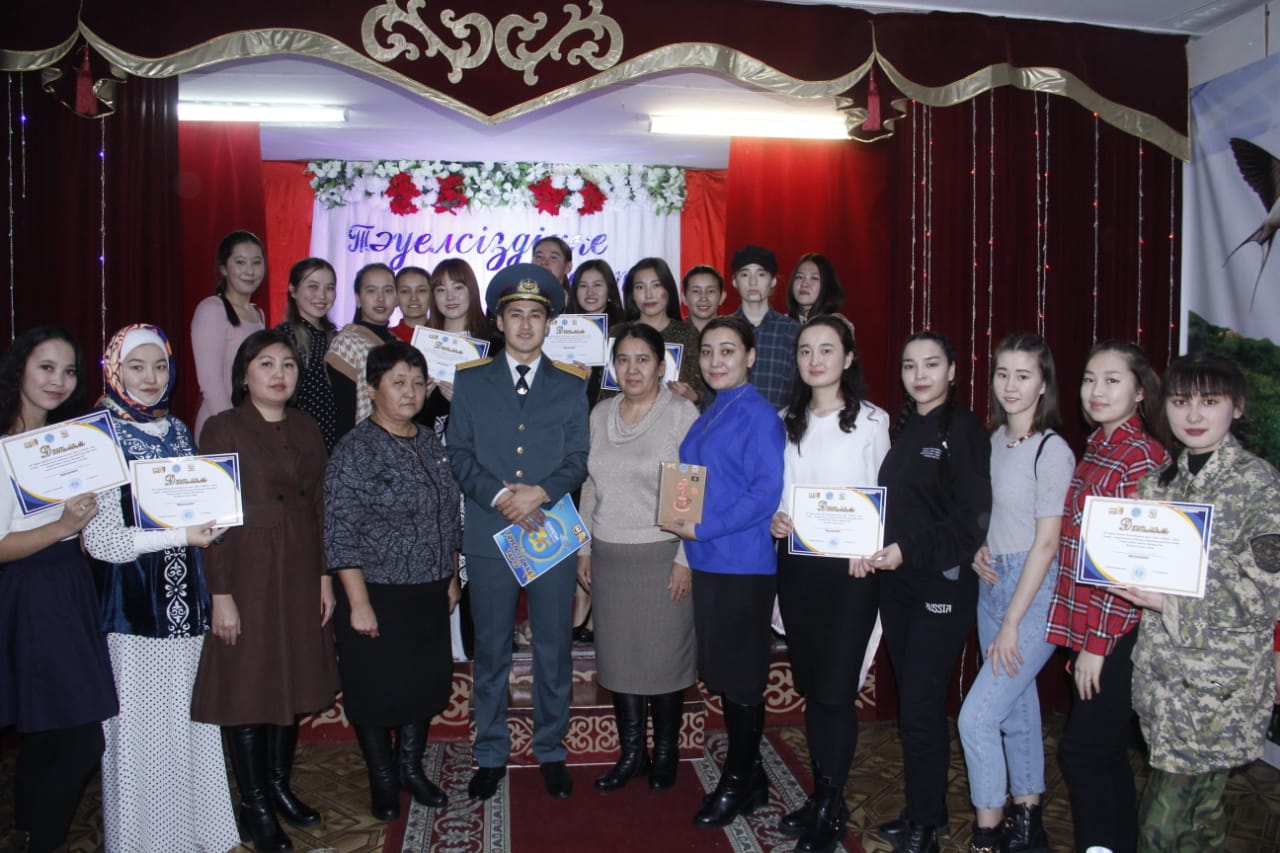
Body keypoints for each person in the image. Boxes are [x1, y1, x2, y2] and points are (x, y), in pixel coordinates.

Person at [1110, 353, 1280, 851]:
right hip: (1164, 683)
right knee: (1200, 823)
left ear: (1237, 407)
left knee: (1159, 830)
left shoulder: (1258, 485)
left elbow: (1267, 593)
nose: (1193, 414)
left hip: (1216, 692)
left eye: (1210, 401)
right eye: (1181, 401)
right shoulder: (1159, 483)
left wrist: (1171, 602)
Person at [81, 324, 240, 853]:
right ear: (115, 370)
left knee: (190, 727)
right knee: (138, 738)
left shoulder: (174, 430)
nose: (150, 378)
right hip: (133, 615)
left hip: (184, 609)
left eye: (159, 366)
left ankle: (192, 838)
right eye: (136, 366)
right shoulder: (100, 436)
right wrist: (180, 535)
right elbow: (101, 540)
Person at [191, 329, 340, 853]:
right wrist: (221, 593)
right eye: (266, 364)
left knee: (290, 678)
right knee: (250, 687)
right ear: (244, 375)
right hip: (247, 566)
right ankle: (254, 804)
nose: (279, 374)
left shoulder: (307, 426)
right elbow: (211, 517)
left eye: (288, 365)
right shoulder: (222, 427)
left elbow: (320, 506)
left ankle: (278, 786)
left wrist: (324, 576)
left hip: (299, 562)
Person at [446, 263, 589, 801]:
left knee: (554, 647)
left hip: (550, 530)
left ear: (549, 324)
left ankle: (551, 749)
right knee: (492, 651)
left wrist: (541, 492)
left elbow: (578, 457)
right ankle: (490, 753)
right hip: (490, 532)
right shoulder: (470, 380)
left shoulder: (571, 383)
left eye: (535, 315)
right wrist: (502, 496)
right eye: (516, 315)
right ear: (500, 321)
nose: (526, 324)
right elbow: (459, 454)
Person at [863, 331, 991, 853]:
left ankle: (924, 829)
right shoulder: (907, 428)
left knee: (919, 707)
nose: (919, 375)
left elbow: (970, 521)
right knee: (914, 707)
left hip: (942, 584)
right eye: (910, 365)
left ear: (953, 371)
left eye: (932, 364)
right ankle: (928, 812)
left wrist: (907, 549)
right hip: (898, 584)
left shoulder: (963, 429)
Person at [324, 341, 462, 821]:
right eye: (398, 382)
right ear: (371, 389)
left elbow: (447, 516)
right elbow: (339, 532)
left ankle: (410, 768)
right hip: (375, 591)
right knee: (374, 689)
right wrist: (358, 602)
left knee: (422, 683)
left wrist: (450, 575)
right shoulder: (355, 450)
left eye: (418, 383)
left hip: (428, 588)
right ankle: (382, 777)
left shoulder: (429, 442)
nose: (410, 392)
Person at [770, 315, 890, 853]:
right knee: (815, 688)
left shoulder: (872, 422)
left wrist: (874, 544)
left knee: (837, 691)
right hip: (799, 570)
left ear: (848, 357)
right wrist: (776, 518)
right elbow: (780, 490)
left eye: (826, 349)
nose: (814, 359)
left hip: (851, 574)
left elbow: (888, 493)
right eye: (805, 350)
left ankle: (831, 805)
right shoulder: (785, 420)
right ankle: (823, 798)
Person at [662, 316, 785, 829]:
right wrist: (682, 523)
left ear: (750, 357)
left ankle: (735, 783)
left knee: (741, 680)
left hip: (742, 564)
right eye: (709, 351)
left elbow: (765, 494)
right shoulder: (711, 411)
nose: (716, 361)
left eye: (728, 351)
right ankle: (752, 777)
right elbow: (691, 481)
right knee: (728, 675)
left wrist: (701, 528)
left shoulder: (758, 415)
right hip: (710, 562)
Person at [1044, 340, 1166, 853]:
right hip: (1094, 626)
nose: (1096, 390)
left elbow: (1132, 564)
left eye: (1112, 380)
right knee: (1106, 751)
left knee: (1084, 751)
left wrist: (1096, 644)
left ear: (1140, 392)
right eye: (1089, 379)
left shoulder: (1141, 456)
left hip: (1119, 631)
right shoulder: (1100, 445)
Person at [957, 333, 1075, 853]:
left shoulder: (1052, 450)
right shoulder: (991, 442)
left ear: (1043, 384)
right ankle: (1028, 824)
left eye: (1023, 375)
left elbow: (1046, 543)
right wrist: (978, 549)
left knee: (977, 716)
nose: (1010, 385)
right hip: (992, 583)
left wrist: (1011, 622)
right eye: (1003, 373)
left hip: (1035, 590)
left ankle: (988, 831)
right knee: (1018, 710)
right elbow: (990, 516)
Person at [0, 327, 117, 853]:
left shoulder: (71, 443)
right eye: (46, 367)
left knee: (49, 737)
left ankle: (29, 837)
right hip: (31, 593)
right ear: (20, 369)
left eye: (68, 371)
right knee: (75, 740)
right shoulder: (4, 446)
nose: (58, 380)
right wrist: (62, 526)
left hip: (70, 587)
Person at [576, 324, 699, 792]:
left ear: (661, 366)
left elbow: (691, 489)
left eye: (642, 359)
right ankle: (631, 754)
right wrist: (585, 547)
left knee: (664, 660)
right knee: (620, 659)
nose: (632, 369)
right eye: (623, 360)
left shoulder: (681, 413)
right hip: (609, 555)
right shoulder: (601, 412)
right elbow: (591, 485)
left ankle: (665, 753)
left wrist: (685, 557)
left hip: (662, 554)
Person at [192, 229, 267, 437]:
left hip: (252, 424)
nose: (250, 271)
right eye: (241, 262)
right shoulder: (212, 309)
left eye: (257, 262)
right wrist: (235, 430)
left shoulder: (258, 314)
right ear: (224, 268)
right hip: (221, 426)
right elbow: (211, 385)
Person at [611, 258, 704, 406]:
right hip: (624, 415)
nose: (648, 295)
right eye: (640, 287)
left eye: (656, 285)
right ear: (632, 294)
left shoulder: (688, 334)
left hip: (675, 416)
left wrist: (695, 397)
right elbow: (607, 392)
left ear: (668, 289)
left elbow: (704, 389)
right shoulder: (617, 333)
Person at [419, 257, 495, 437]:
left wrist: (466, 402)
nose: (450, 297)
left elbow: (506, 407)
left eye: (458, 287)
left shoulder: (495, 343)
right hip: (429, 442)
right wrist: (419, 398)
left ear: (472, 291)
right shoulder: (423, 342)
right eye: (441, 290)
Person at [325, 262, 398, 441]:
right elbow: (344, 412)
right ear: (358, 299)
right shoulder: (346, 343)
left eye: (388, 290)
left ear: (396, 297)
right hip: (361, 446)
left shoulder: (400, 345)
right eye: (371, 291)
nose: (380, 298)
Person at [276, 257, 339, 452]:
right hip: (297, 442)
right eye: (313, 286)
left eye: (329, 288)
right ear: (293, 290)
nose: (322, 295)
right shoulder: (283, 337)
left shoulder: (336, 337)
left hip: (335, 440)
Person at [730, 245, 800, 409]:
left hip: (779, 422)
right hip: (731, 422)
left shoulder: (792, 331)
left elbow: (801, 390)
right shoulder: (722, 330)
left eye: (761, 274)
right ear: (734, 281)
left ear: (773, 280)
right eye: (745, 274)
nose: (753, 282)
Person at [785, 253, 845, 324]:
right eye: (799, 277)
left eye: (814, 278)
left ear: (827, 285)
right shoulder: (781, 323)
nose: (804, 284)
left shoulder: (835, 325)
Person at [681, 265, 726, 335]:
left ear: (722, 297)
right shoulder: (669, 337)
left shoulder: (734, 334)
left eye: (711, 291)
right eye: (696, 291)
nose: (703, 298)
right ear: (684, 298)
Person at [390, 265, 431, 343]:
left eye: (421, 290)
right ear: (395, 298)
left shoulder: (447, 337)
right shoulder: (383, 338)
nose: (413, 298)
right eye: (405, 291)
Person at [532, 235, 573, 300]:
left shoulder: (575, 303)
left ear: (568, 267)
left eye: (553, 257)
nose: (544, 262)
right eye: (539, 256)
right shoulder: (519, 299)